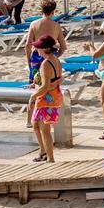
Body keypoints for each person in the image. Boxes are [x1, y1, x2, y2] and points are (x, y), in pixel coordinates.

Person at [29, 35, 65, 163]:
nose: (36, 49)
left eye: (38, 47)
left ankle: (50, 158)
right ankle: (43, 152)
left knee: (45, 130)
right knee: (36, 125)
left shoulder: (45, 63)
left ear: (44, 49)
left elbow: (44, 87)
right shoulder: (56, 60)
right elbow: (58, 79)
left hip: (46, 99)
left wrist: (32, 97)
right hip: (55, 96)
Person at [26, 0, 66, 83]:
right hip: (51, 55)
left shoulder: (34, 24)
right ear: (53, 12)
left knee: (36, 83)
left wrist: (28, 60)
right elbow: (63, 46)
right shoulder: (56, 26)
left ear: (42, 11)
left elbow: (27, 45)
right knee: (50, 81)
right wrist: (56, 56)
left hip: (37, 56)